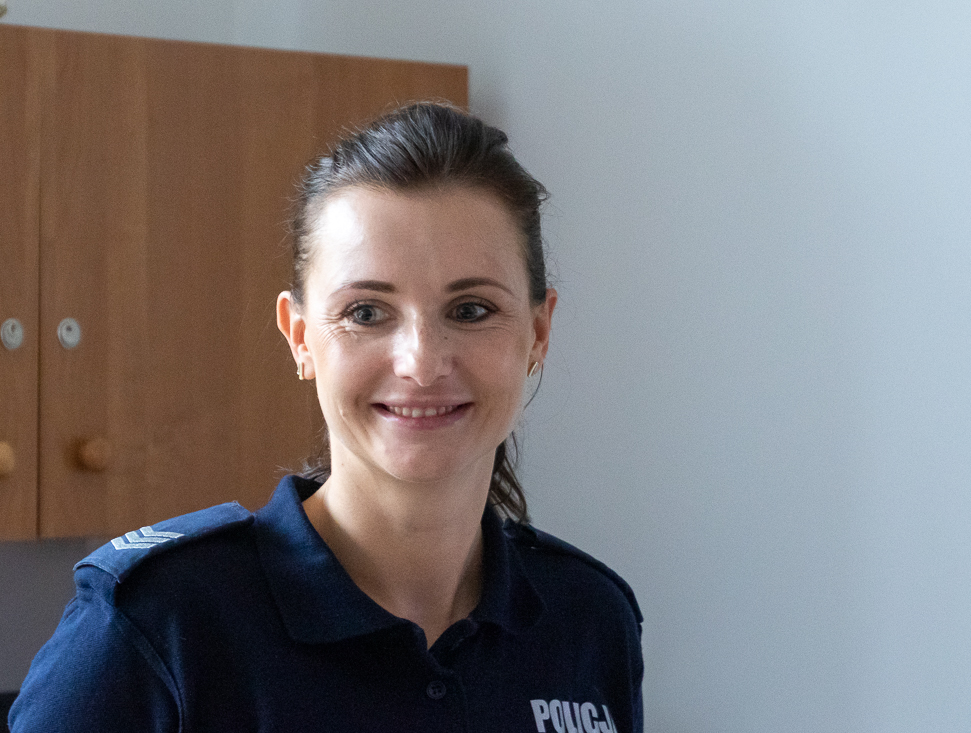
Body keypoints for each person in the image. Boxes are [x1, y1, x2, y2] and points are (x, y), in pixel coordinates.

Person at [9, 102, 643, 733]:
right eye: (366, 313)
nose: (421, 364)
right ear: (300, 337)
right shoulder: (156, 625)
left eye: (471, 310)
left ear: (538, 332)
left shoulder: (590, 618)